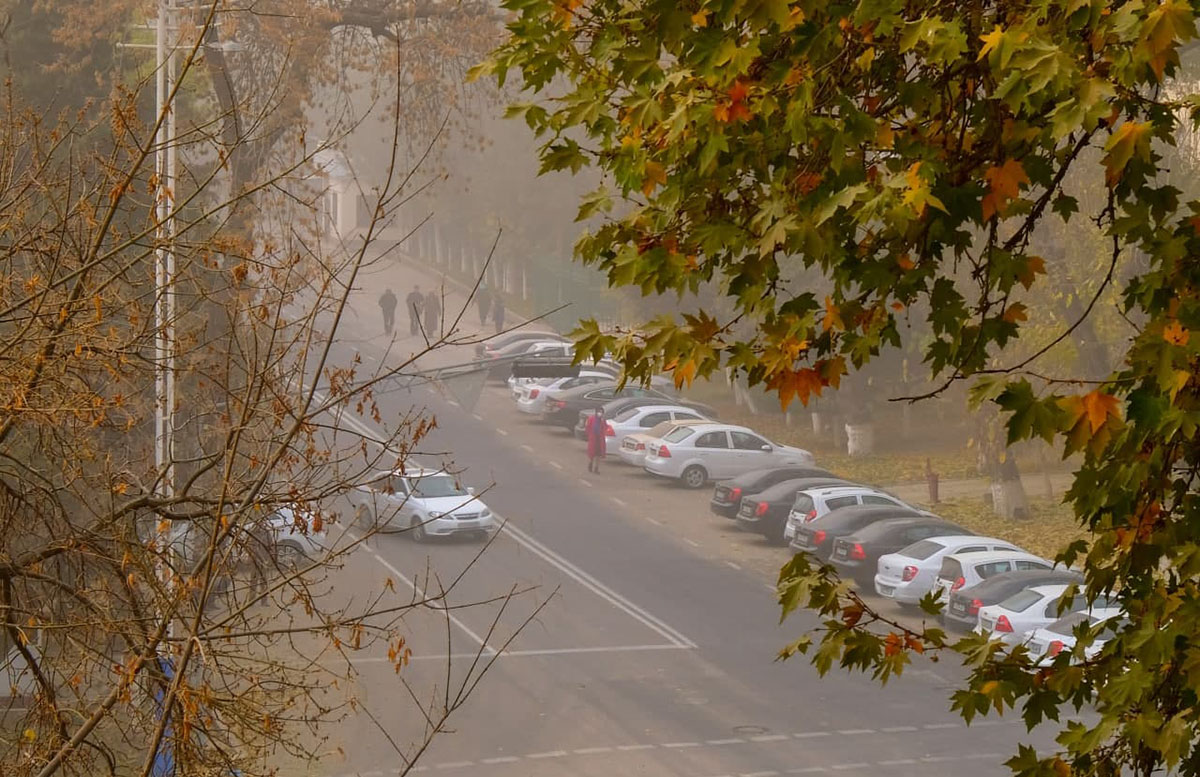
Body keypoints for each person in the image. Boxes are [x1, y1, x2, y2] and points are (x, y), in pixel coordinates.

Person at [584, 407, 606, 473]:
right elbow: (588, 427)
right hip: (593, 438)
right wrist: (589, 435)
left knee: (598, 454)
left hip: (600, 438)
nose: (600, 413)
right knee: (592, 453)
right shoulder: (591, 419)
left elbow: (604, 428)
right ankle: (590, 463)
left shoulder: (602, 420)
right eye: (599, 412)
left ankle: (596, 468)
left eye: (601, 412)